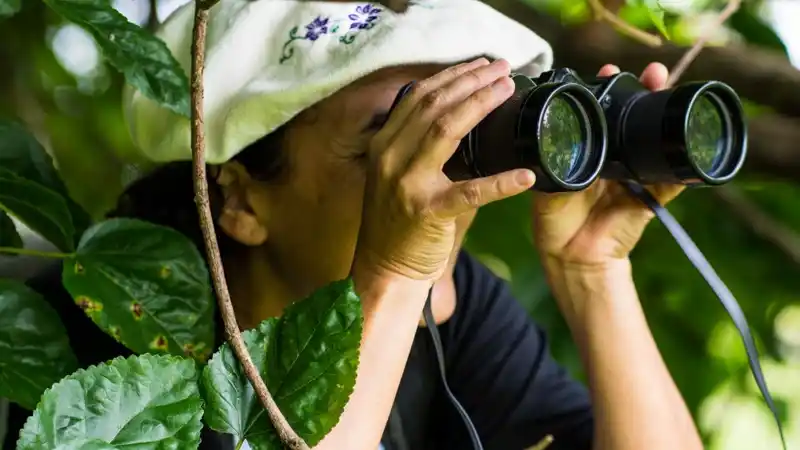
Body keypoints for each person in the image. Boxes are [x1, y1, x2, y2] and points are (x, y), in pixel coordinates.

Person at [4, 0, 704, 449]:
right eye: (391, 143)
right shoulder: (89, 359)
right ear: (241, 203)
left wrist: (592, 272)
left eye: (458, 133)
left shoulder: (448, 310)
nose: (433, 179)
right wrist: (392, 278)